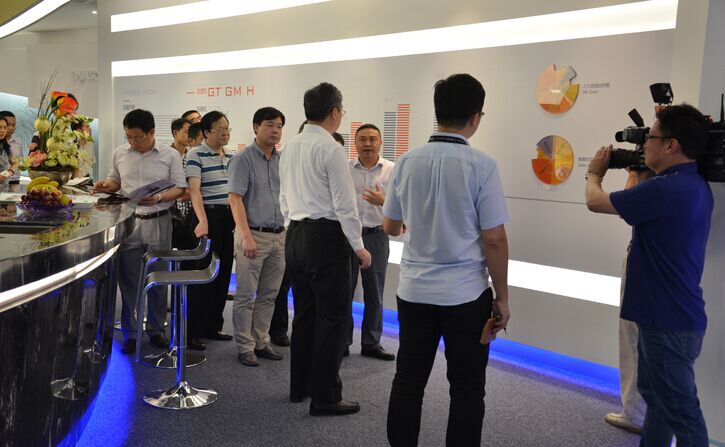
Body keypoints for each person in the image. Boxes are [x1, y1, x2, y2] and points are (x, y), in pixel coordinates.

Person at [384, 73, 510, 446]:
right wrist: (502, 297)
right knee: (467, 388)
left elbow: (390, 226)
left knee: (408, 379)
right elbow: (495, 239)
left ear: (437, 112)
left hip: (414, 291)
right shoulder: (483, 165)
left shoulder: (406, 161)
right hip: (466, 295)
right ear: (475, 117)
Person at [585, 104, 712, 447]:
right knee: (657, 400)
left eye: (651, 139)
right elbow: (639, 203)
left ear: (671, 145)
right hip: (669, 316)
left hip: (667, 320)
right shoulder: (690, 183)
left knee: (683, 414)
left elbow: (595, 201)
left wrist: (593, 173)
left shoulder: (666, 190)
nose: (644, 146)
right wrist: (641, 170)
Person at [280, 82, 371, 416]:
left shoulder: (290, 145)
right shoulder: (331, 148)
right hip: (326, 239)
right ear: (335, 112)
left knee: (304, 316)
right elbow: (345, 205)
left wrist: (293, 228)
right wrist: (359, 246)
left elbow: (283, 197)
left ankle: (300, 388)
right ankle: (326, 397)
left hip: (296, 236)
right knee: (333, 320)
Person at [93, 109, 186, 354]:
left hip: (159, 221)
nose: (133, 142)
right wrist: (106, 185)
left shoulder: (170, 155)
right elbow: (115, 181)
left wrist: (159, 198)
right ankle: (131, 333)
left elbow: (180, 188)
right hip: (129, 222)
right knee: (129, 281)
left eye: (138, 137)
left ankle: (156, 329)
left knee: (158, 278)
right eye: (129, 137)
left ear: (152, 132)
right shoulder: (120, 153)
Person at [228, 107, 287, 367]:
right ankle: (245, 346)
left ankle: (261, 341)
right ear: (256, 127)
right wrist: (246, 236)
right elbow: (235, 199)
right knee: (245, 296)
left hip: (279, 237)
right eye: (270, 125)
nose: (275, 131)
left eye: (279, 126)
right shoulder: (243, 159)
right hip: (252, 235)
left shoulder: (282, 160)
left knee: (269, 294)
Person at [345, 123, 395, 360]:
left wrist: (384, 200)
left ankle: (371, 343)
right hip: (348, 236)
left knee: (375, 293)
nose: (367, 144)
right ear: (355, 143)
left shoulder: (392, 170)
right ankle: (342, 341)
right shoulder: (345, 169)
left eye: (372, 139)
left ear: (380, 142)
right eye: (362, 139)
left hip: (377, 236)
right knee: (344, 291)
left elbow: (402, 204)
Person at [185, 111, 235, 346]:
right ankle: (193, 331)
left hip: (229, 218)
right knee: (203, 275)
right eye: (220, 129)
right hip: (208, 216)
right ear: (206, 132)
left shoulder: (232, 156)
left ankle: (213, 326)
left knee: (223, 274)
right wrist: (202, 220)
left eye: (227, 128)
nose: (225, 133)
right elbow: (194, 191)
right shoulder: (195, 154)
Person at [605, 170, 648, 435]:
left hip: (643, 264)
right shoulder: (689, 183)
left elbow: (619, 202)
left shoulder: (661, 185)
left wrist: (595, 174)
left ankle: (635, 413)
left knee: (633, 338)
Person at [0, 111, 21, 187]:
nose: (2, 130)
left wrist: (9, 172)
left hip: (3, 187)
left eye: (5, 127)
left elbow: (16, 162)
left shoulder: (4, 146)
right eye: (0, 127)